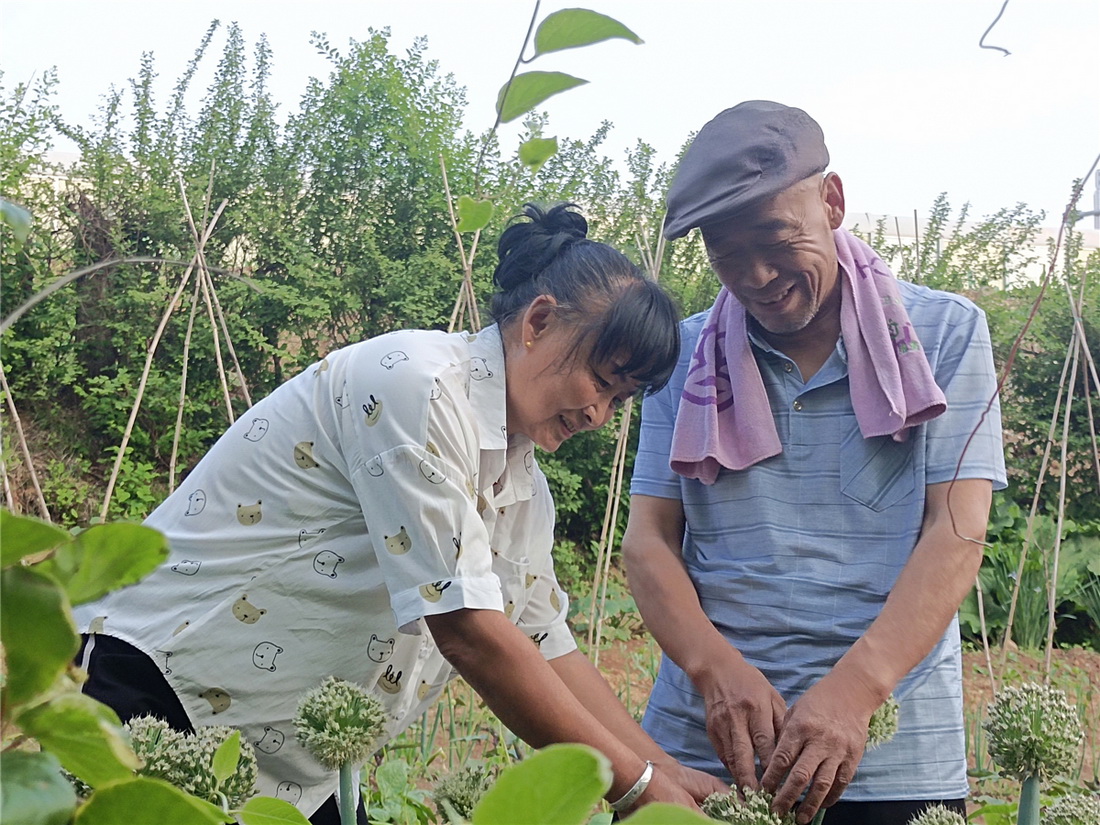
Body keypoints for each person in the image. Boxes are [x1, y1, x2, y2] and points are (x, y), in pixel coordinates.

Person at [73, 203, 727, 822]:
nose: (599, 414)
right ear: (539, 321)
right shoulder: (418, 387)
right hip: (159, 687)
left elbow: (544, 638)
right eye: (602, 381)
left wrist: (661, 767)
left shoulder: (521, 482)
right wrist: (635, 787)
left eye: (621, 400)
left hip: (286, 769)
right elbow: (470, 630)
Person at [622, 102, 1007, 825]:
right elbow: (648, 541)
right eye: (727, 255)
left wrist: (857, 690)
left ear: (831, 201)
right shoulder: (685, 354)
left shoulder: (945, 335)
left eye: (775, 238)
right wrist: (714, 671)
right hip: (707, 744)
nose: (757, 274)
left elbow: (956, 534)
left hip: (891, 757)